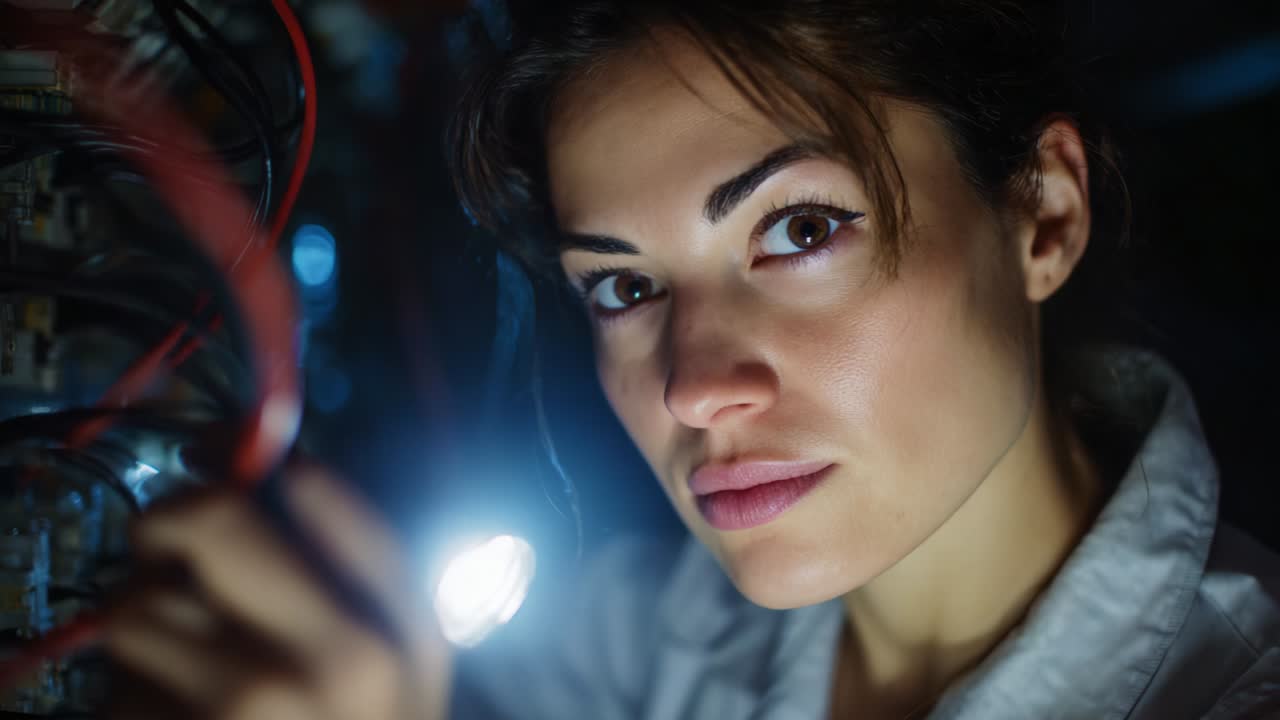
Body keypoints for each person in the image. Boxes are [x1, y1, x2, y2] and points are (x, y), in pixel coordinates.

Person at [104, 2, 1280, 719]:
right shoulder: (635, 641)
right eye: (623, 287)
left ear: (1040, 215)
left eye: (800, 230)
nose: (690, 384)